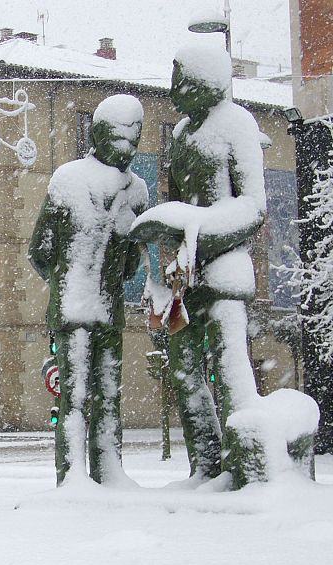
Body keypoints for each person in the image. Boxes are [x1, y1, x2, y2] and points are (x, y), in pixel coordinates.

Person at [129, 43, 316, 486]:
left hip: (226, 271)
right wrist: (167, 228)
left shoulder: (237, 125)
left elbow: (253, 207)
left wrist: (195, 224)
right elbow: (177, 200)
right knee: (182, 369)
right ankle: (208, 467)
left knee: (232, 369)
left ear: (206, 78)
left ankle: (245, 468)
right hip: (185, 277)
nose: (176, 92)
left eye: (183, 81)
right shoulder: (181, 136)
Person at [29, 94, 148, 486]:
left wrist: (111, 276)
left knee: (110, 397)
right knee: (75, 397)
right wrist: (68, 280)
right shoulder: (67, 179)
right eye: (122, 138)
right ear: (99, 136)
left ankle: (109, 471)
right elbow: (39, 250)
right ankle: (73, 477)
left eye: (135, 139)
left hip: (109, 310)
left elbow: (133, 257)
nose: (129, 148)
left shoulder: (137, 192)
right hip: (75, 307)